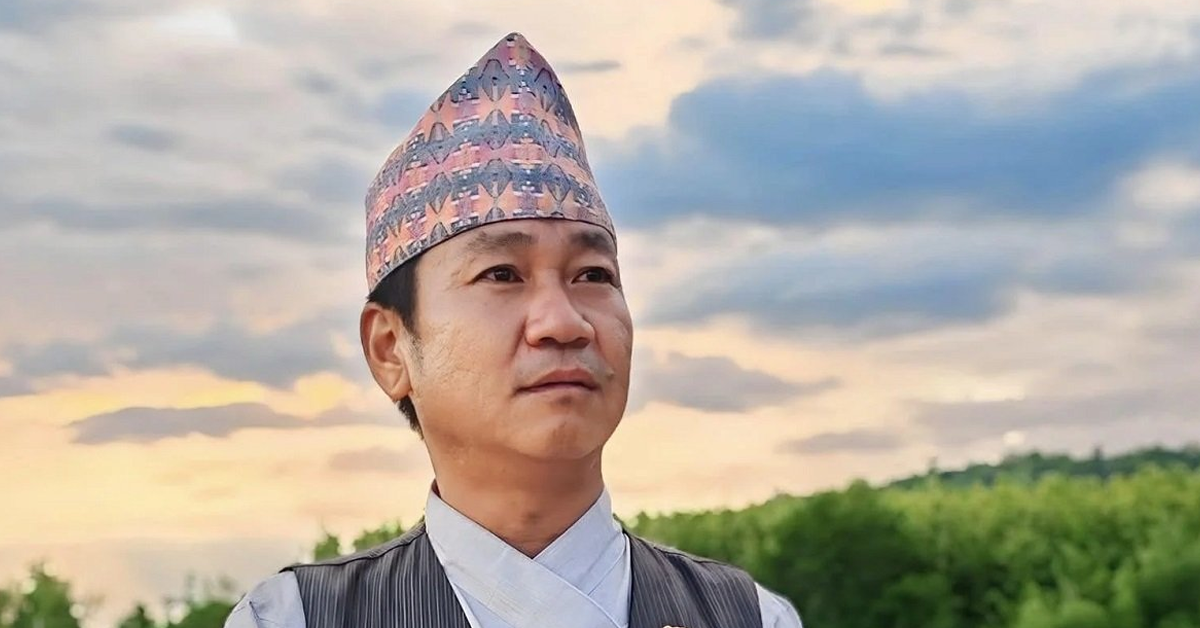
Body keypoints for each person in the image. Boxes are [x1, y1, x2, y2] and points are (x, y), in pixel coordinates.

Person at [224, 32, 803, 628]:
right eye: (502, 274)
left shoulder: (750, 617)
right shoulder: (293, 618)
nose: (564, 322)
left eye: (592, 275)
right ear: (390, 348)